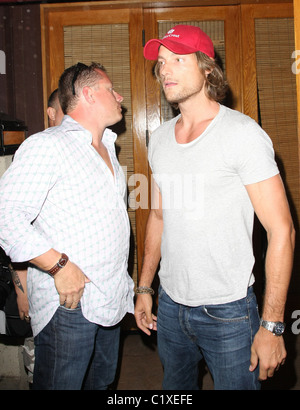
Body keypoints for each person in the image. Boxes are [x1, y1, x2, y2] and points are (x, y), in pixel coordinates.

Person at [134, 25, 295, 390]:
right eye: (161, 62)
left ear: (208, 68)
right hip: (171, 306)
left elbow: (281, 230)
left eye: (178, 59)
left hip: (229, 312)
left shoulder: (242, 134)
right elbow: (158, 215)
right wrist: (145, 288)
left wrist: (271, 325)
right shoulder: (159, 139)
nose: (165, 70)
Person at [0, 62, 134, 390]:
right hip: (70, 303)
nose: (119, 96)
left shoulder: (107, 149)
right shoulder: (49, 145)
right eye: (110, 89)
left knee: (101, 384)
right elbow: (6, 218)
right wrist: (59, 266)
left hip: (109, 298)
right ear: (88, 94)